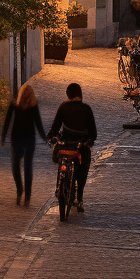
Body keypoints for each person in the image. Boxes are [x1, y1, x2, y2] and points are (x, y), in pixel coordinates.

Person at [48, 83, 97, 212]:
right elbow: (93, 133)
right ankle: (79, 198)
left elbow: (54, 128)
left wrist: (52, 138)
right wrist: (90, 141)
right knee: (83, 170)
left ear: (68, 94)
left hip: (66, 145)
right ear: (80, 95)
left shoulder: (63, 107)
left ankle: (59, 186)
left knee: (61, 162)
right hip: (80, 148)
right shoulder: (86, 109)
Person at [0, 83, 47, 206]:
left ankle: (27, 196)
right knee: (16, 167)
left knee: (26, 167)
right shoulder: (14, 105)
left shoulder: (33, 107)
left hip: (29, 139)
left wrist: (44, 137)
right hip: (17, 139)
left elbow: (38, 122)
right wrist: (3, 136)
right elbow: (8, 120)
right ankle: (20, 190)